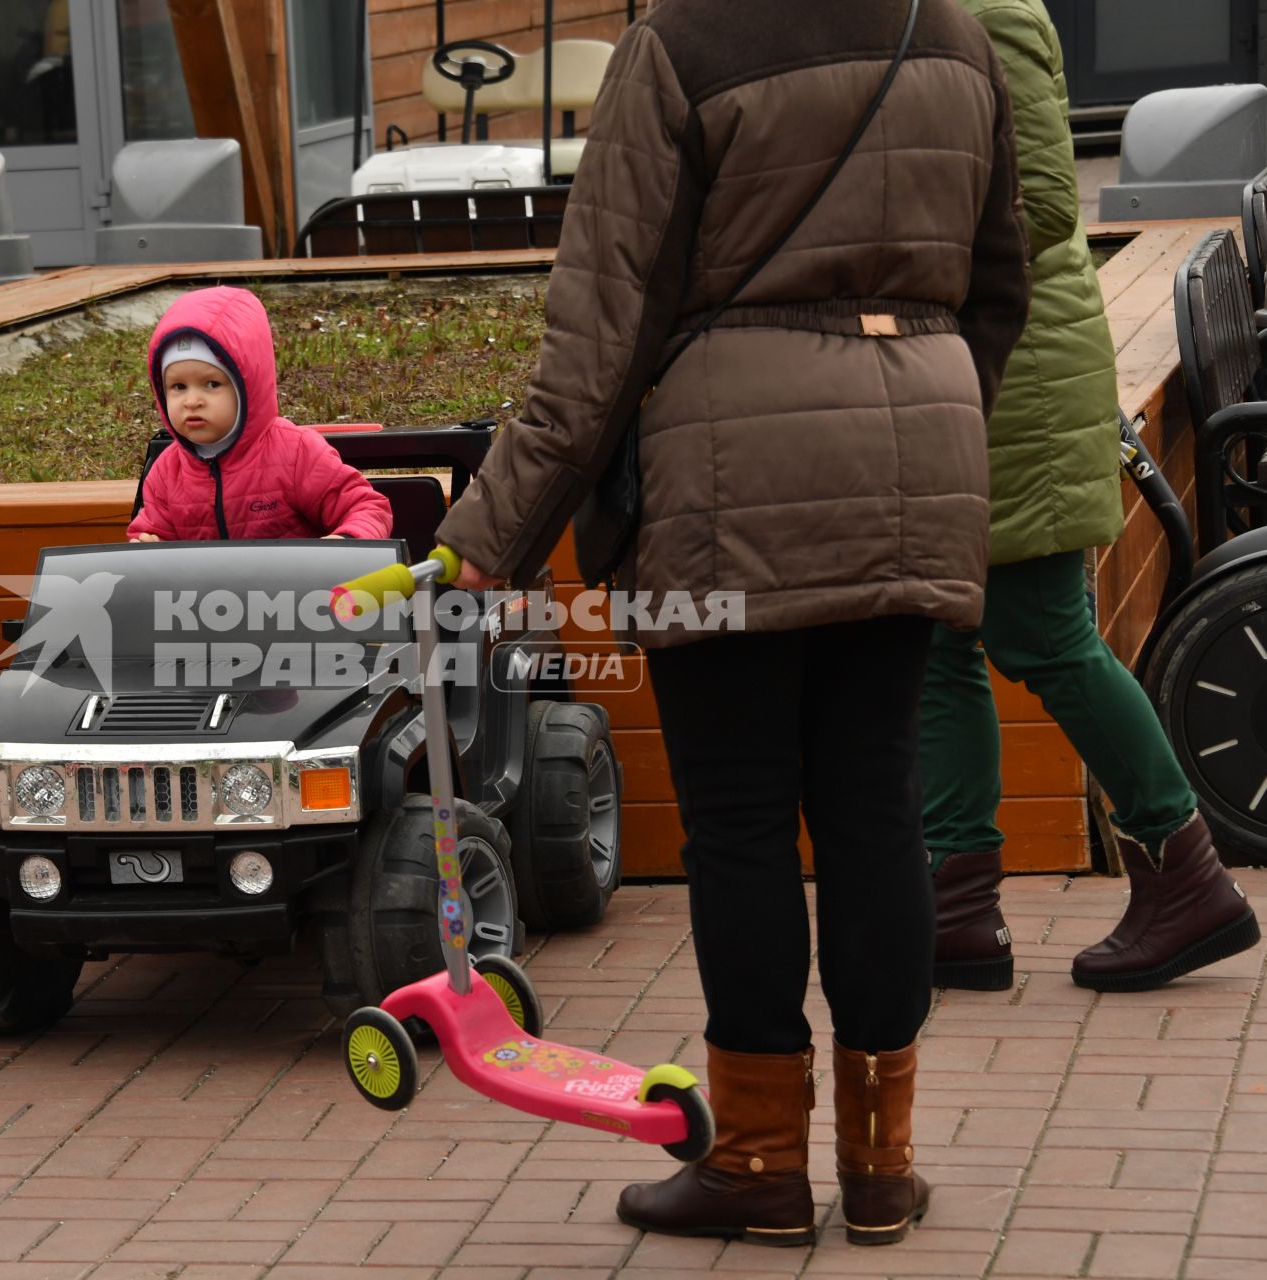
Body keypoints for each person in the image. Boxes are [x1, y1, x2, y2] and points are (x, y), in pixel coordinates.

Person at [431, 0, 1032, 1249]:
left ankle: (758, 1160)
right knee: (876, 807)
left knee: (743, 825)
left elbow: (599, 337)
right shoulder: (956, 36)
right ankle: (882, 1164)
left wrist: (482, 544)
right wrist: (918, 407)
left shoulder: (687, 44)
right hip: (916, 468)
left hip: (729, 488)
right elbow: (1002, 284)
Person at [924, 0, 1261, 996]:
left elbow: (1034, 202)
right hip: (974, 369)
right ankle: (955, 911)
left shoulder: (987, 13)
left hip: (1012, 373)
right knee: (943, 640)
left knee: (1042, 634)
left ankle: (1184, 872)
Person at [127, 286, 393, 544]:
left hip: (296, 587)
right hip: (209, 590)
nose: (192, 401)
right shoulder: (166, 472)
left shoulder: (295, 453)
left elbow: (368, 508)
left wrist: (347, 540)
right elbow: (151, 536)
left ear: (247, 385)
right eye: (178, 387)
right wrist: (148, 546)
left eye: (212, 384)